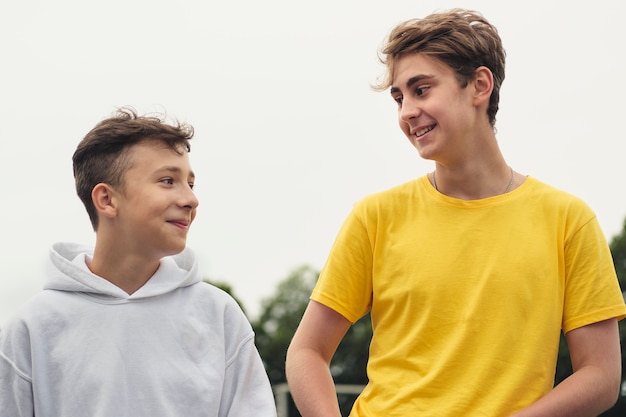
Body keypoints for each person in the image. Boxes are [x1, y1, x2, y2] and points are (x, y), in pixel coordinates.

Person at [285, 8, 626, 417]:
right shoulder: (374, 217)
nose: (406, 111)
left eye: (421, 89)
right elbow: (307, 351)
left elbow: (602, 375)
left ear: (479, 85)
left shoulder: (569, 221)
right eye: (399, 97)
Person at [0, 107, 277, 417]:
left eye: (191, 184)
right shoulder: (32, 328)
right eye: (168, 180)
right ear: (106, 199)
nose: (190, 199)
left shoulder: (219, 316)